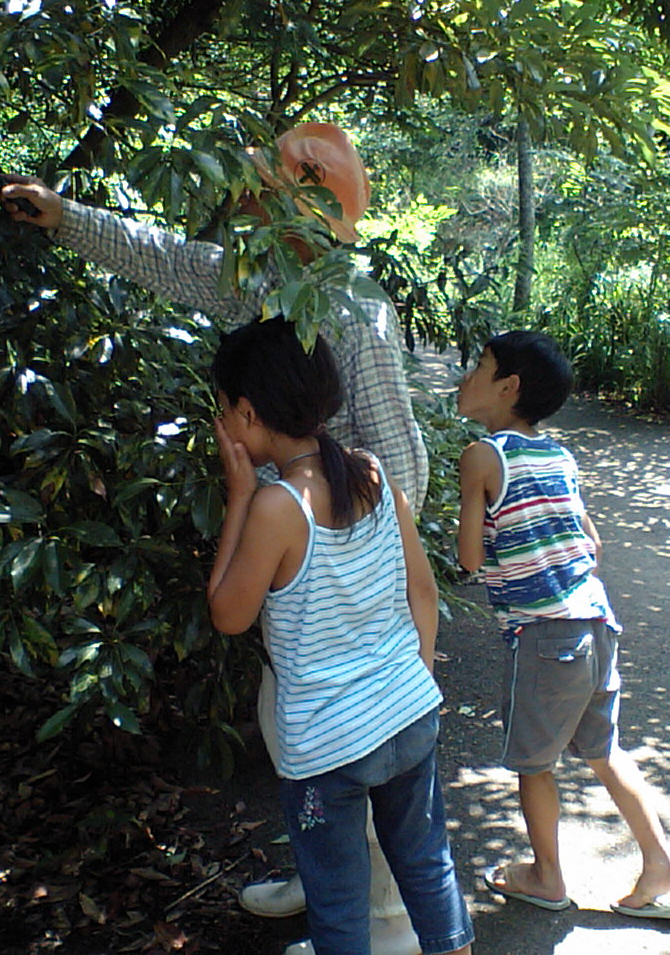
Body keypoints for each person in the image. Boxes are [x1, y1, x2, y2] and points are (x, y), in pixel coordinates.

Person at [0, 124, 427, 954]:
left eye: (267, 191)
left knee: (347, 737)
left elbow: (399, 454)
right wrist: (64, 217)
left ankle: (384, 924)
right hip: (294, 562)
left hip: (338, 571)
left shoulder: (355, 308)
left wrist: (380, 585)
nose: (247, 205)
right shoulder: (265, 280)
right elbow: (165, 257)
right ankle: (326, 878)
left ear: (306, 200)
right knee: (293, 728)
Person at [207, 316, 473, 955]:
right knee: (425, 863)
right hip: (407, 714)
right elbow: (424, 592)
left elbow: (227, 614)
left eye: (224, 411)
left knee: (337, 899)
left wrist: (239, 495)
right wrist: (417, 683)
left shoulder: (277, 506)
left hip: (327, 748)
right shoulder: (372, 473)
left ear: (248, 412)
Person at [455, 330, 670, 922]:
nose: (466, 376)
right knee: (603, 748)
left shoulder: (483, 457)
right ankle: (659, 861)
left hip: (546, 636)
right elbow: (591, 542)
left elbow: (467, 558)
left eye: (480, 366)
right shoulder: (559, 456)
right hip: (596, 621)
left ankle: (545, 877)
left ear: (509, 388)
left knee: (534, 764)